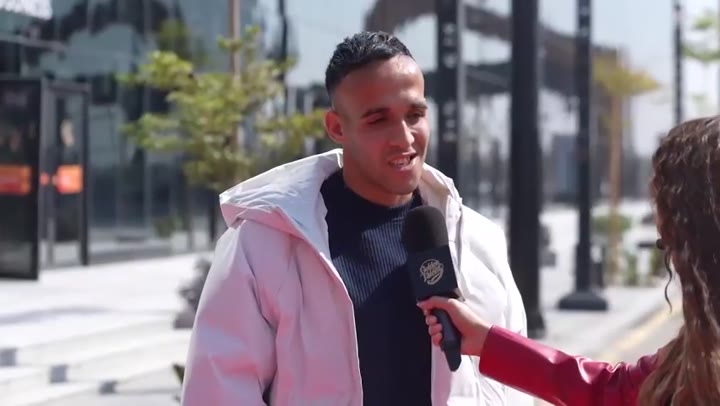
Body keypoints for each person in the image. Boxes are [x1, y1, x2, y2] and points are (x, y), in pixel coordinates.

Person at [181, 31, 533, 405]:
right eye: (378, 120)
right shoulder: (264, 243)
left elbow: (513, 386)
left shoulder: (475, 238)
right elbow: (218, 390)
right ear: (337, 128)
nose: (404, 138)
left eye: (414, 115)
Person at [418, 116, 720, 405]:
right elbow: (616, 390)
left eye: (671, 239)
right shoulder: (698, 345)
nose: (659, 229)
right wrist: (488, 342)